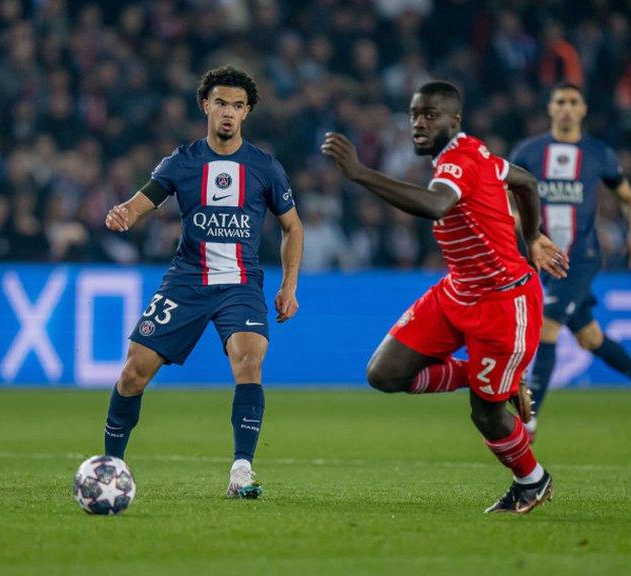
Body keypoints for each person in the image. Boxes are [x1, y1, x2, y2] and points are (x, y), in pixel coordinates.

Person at [321, 81, 569, 514]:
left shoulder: (457, 160)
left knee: (487, 414)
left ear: (454, 121)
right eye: (415, 113)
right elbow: (526, 182)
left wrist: (360, 173)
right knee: (384, 373)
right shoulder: (477, 154)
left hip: (503, 302)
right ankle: (491, 376)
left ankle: (532, 480)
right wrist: (530, 236)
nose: (419, 122)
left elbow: (436, 205)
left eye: (430, 115)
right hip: (457, 292)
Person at [101, 66, 303, 498]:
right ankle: (110, 465)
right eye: (221, 103)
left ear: (246, 112)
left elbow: (293, 227)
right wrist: (124, 212)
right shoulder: (183, 161)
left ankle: (242, 470)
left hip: (241, 283)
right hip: (187, 280)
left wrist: (289, 286)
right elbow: (142, 202)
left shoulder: (266, 168)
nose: (228, 112)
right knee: (134, 373)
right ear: (205, 106)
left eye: (237, 105)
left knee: (250, 361)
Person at [511, 83, 631, 435]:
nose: (567, 108)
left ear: (583, 109)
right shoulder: (528, 152)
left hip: (581, 257)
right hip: (544, 259)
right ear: (550, 108)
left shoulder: (598, 153)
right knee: (588, 336)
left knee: (547, 326)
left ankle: (530, 419)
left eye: (574, 102)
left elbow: (628, 197)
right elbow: (507, 195)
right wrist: (517, 225)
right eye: (560, 102)